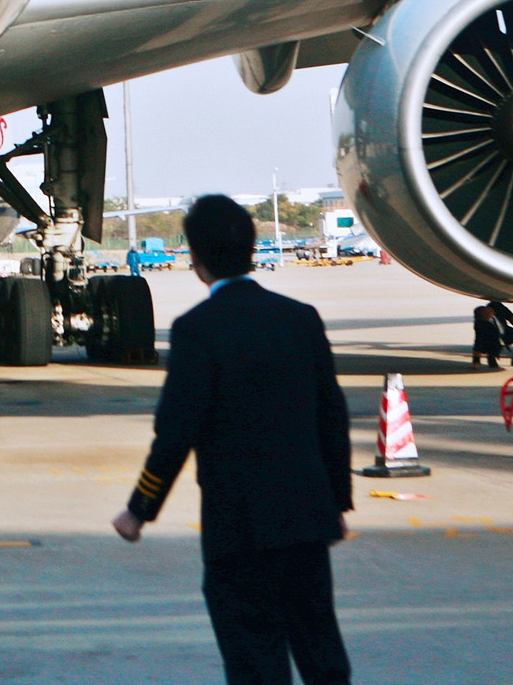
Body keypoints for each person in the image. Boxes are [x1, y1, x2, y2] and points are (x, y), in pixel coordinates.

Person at [112, 194, 353, 685]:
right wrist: (337, 504)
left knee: (255, 657)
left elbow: (175, 432)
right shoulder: (300, 318)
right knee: (321, 651)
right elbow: (333, 416)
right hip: (306, 523)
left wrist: (139, 509)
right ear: (253, 248)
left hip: (238, 529)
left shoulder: (197, 331)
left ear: (195, 259)